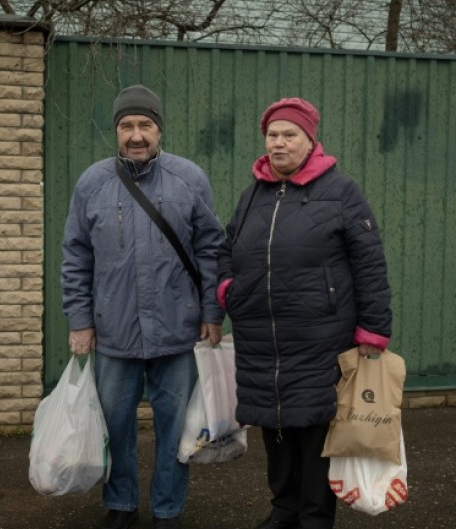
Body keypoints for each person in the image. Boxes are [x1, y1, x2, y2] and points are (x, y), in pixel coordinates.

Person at [216, 97, 393, 529]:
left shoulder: (340, 191)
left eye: (289, 135)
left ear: (310, 140)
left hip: (319, 335)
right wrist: (228, 292)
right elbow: (226, 249)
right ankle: (284, 508)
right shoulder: (253, 194)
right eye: (272, 135)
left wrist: (372, 329)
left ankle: (314, 516)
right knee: (274, 427)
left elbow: (369, 261)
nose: (279, 143)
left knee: (314, 428)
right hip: (261, 336)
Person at [61, 84, 224, 529]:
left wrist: (212, 312)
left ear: (159, 129)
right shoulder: (92, 182)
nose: (137, 135)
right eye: (127, 125)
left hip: (178, 328)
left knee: (176, 429)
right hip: (114, 331)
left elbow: (211, 250)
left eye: (145, 125)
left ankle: (168, 509)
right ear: (116, 131)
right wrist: (79, 320)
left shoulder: (189, 178)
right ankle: (121, 504)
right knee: (115, 426)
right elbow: (76, 256)